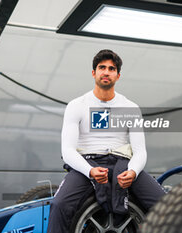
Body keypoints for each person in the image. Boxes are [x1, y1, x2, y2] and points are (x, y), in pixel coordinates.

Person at [47, 49, 165, 233]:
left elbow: (140, 151)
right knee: (59, 205)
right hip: (87, 164)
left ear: (118, 76)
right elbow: (68, 151)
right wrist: (90, 170)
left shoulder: (130, 107)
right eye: (102, 67)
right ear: (94, 73)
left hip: (122, 165)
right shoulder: (77, 105)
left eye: (111, 68)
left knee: (166, 206)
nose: (106, 72)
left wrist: (133, 172)